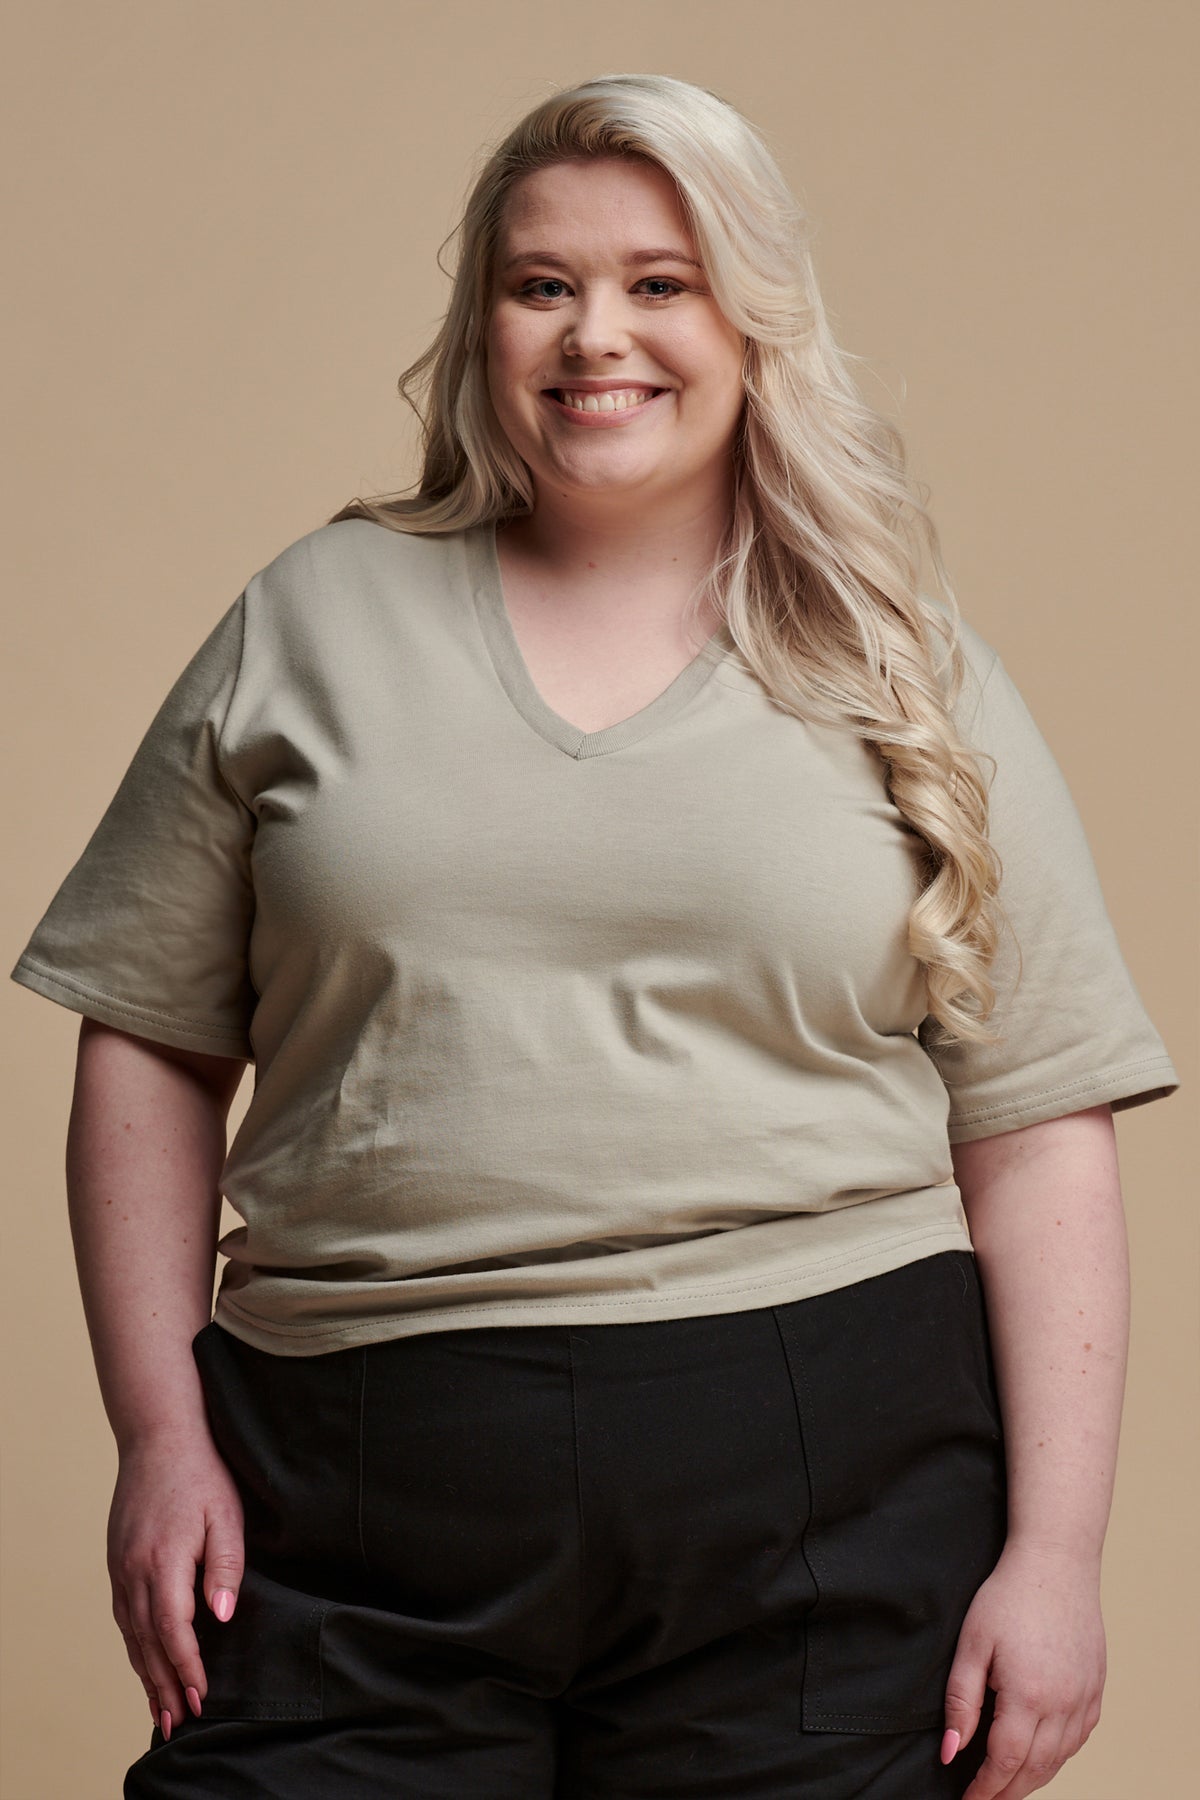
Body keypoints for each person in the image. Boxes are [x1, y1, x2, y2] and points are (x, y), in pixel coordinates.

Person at [10, 71, 1180, 1800]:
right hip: (348, 1486)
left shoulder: (906, 668)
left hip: (826, 1482)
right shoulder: (308, 621)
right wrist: (157, 1432)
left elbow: (1039, 1132)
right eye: (541, 283)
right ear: (485, 318)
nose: (594, 336)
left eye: (660, 281)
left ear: (752, 318)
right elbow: (150, 1045)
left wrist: (1058, 1558)